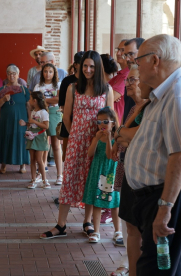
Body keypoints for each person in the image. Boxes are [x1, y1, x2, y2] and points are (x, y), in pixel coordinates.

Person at [125, 34, 181, 276]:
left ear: (155, 60)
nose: (135, 64)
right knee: (168, 265)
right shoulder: (165, 93)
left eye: (139, 59)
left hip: (168, 194)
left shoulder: (177, 95)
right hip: (158, 194)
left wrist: (165, 208)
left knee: (154, 267)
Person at [40, 50, 114, 239]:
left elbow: (111, 118)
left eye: (92, 66)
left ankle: (87, 222)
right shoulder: (73, 87)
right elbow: (66, 116)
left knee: (91, 179)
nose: (88, 70)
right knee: (69, 179)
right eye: (85, 66)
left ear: (98, 69)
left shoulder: (106, 89)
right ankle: (61, 224)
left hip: (97, 142)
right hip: (76, 140)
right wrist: (74, 136)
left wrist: (105, 139)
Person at [110, 65, 151, 276]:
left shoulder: (149, 107)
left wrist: (122, 134)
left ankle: (129, 264)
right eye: (128, 80)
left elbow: (127, 134)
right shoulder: (134, 107)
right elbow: (120, 135)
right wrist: (121, 135)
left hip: (140, 171)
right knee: (129, 221)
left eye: (134, 79)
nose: (128, 84)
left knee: (137, 224)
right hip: (127, 166)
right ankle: (128, 263)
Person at [82, 107, 120, 243]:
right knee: (97, 202)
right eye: (99, 122)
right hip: (97, 172)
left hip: (110, 173)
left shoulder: (116, 140)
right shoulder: (96, 137)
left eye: (106, 121)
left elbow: (110, 156)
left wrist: (109, 139)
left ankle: (117, 231)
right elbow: (90, 153)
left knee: (114, 202)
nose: (102, 125)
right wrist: (96, 140)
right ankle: (96, 231)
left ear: (113, 123)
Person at [0, 65, 30, 174]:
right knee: (5, 140)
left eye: (14, 73)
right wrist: (3, 99)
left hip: (21, 121)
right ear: (7, 75)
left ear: (18, 75)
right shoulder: (2, 89)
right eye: (9, 73)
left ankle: (22, 165)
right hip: (6, 121)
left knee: (21, 141)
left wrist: (29, 121)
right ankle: (3, 165)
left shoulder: (24, 90)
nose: (11, 75)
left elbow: (28, 106)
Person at [33, 63, 63, 185]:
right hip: (41, 114)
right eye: (45, 71)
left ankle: (59, 175)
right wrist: (48, 101)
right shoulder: (38, 85)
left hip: (54, 114)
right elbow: (34, 101)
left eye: (50, 71)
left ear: (54, 73)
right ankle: (40, 173)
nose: (48, 74)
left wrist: (43, 100)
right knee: (41, 145)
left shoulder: (59, 85)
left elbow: (59, 99)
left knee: (56, 145)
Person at [99, 53, 120, 224]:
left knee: (111, 173)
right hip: (108, 129)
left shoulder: (110, 86)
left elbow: (111, 109)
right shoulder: (109, 84)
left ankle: (110, 209)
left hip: (112, 129)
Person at [58, 51, 84, 161]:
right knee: (68, 156)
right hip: (70, 120)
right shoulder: (67, 81)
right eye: (83, 64)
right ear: (75, 65)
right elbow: (62, 104)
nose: (85, 67)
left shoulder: (91, 81)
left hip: (85, 122)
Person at [26, 91, 50, 189]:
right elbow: (32, 124)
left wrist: (34, 121)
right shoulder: (33, 111)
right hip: (32, 136)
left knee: (39, 160)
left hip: (40, 136)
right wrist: (26, 123)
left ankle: (44, 180)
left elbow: (46, 126)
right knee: (32, 159)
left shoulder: (43, 112)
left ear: (35, 101)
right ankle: (33, 179)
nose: (29, 101)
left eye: (30, 99)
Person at [121, 38, 144, 122]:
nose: (127, 59)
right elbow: (126, 108)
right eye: (125, 55)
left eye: (131, 54)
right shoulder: (128, 78)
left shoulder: (147, 83)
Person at [108, 39, 129, 124]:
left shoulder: (127, 75)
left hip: (116, 123)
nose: (118, 53)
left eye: (122, 50)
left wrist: (109, 95)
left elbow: (107, 98)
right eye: (118, 50)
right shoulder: (118, 76)